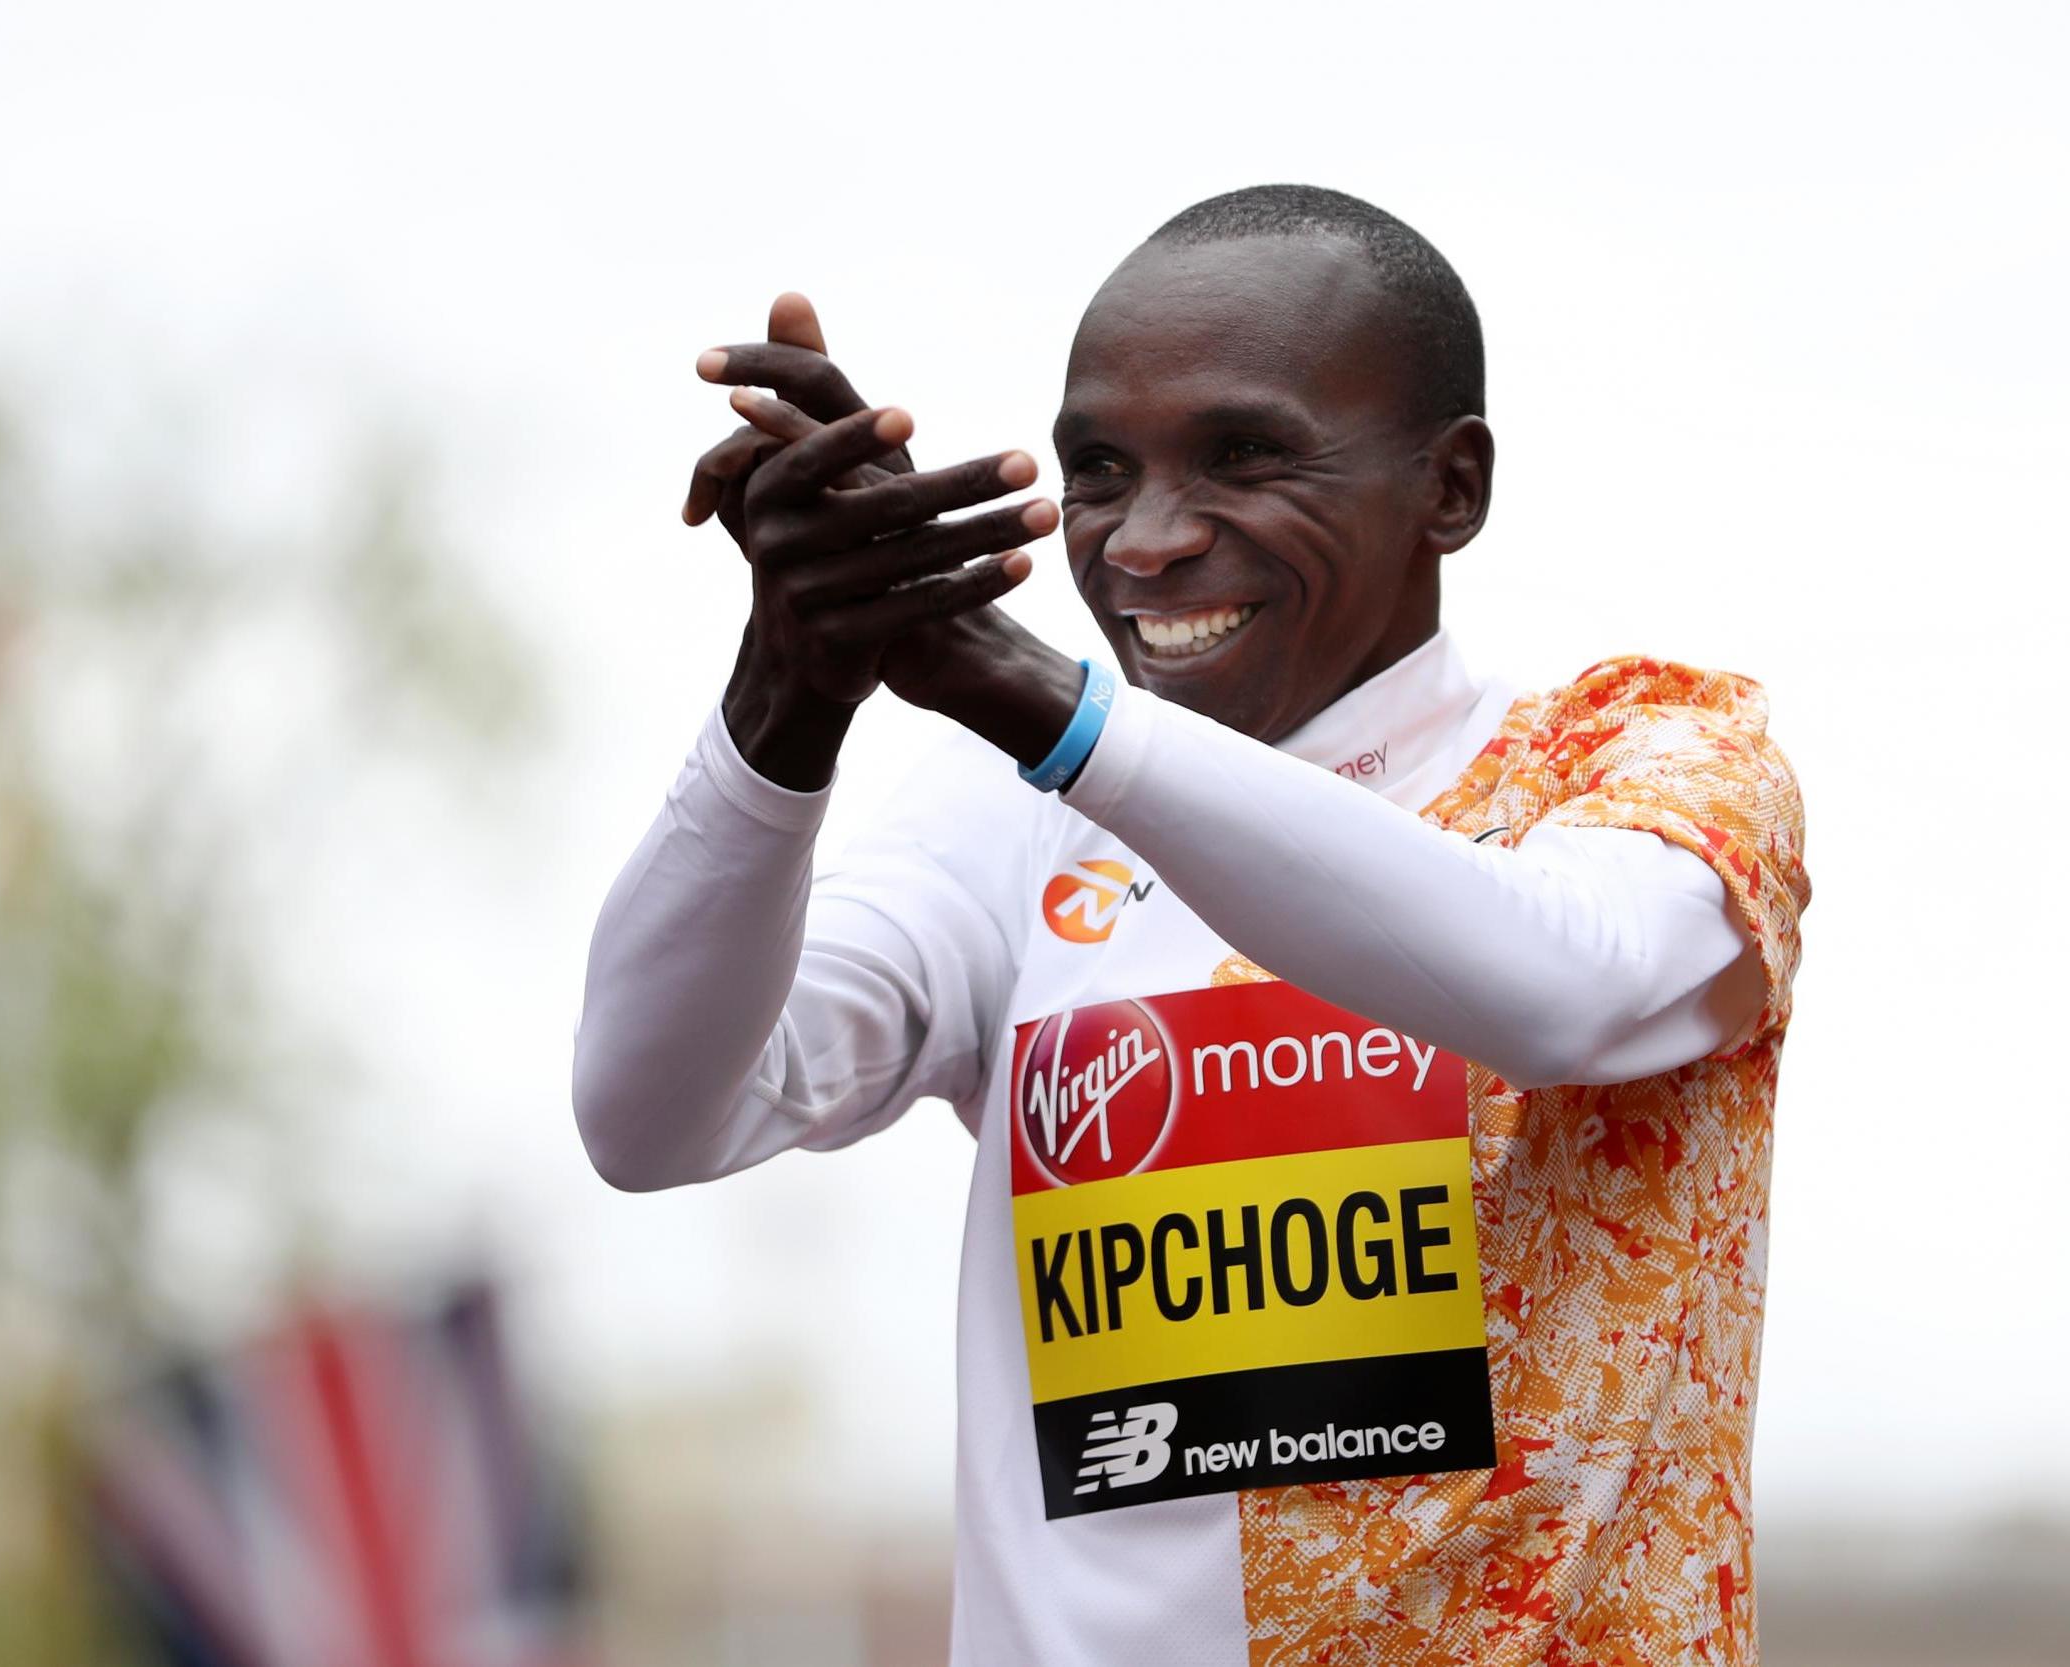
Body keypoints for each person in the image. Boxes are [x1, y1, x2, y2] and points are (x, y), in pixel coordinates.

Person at [574, 184, 1809, 1665]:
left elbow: (1562, 987)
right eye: (1099, 471)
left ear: (1451, 486)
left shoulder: (1649, 757)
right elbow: (648, 1118)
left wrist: (1050, 703)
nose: (1146, 543)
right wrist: (792, 689)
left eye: (1243, 458)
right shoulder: (1018, 813)